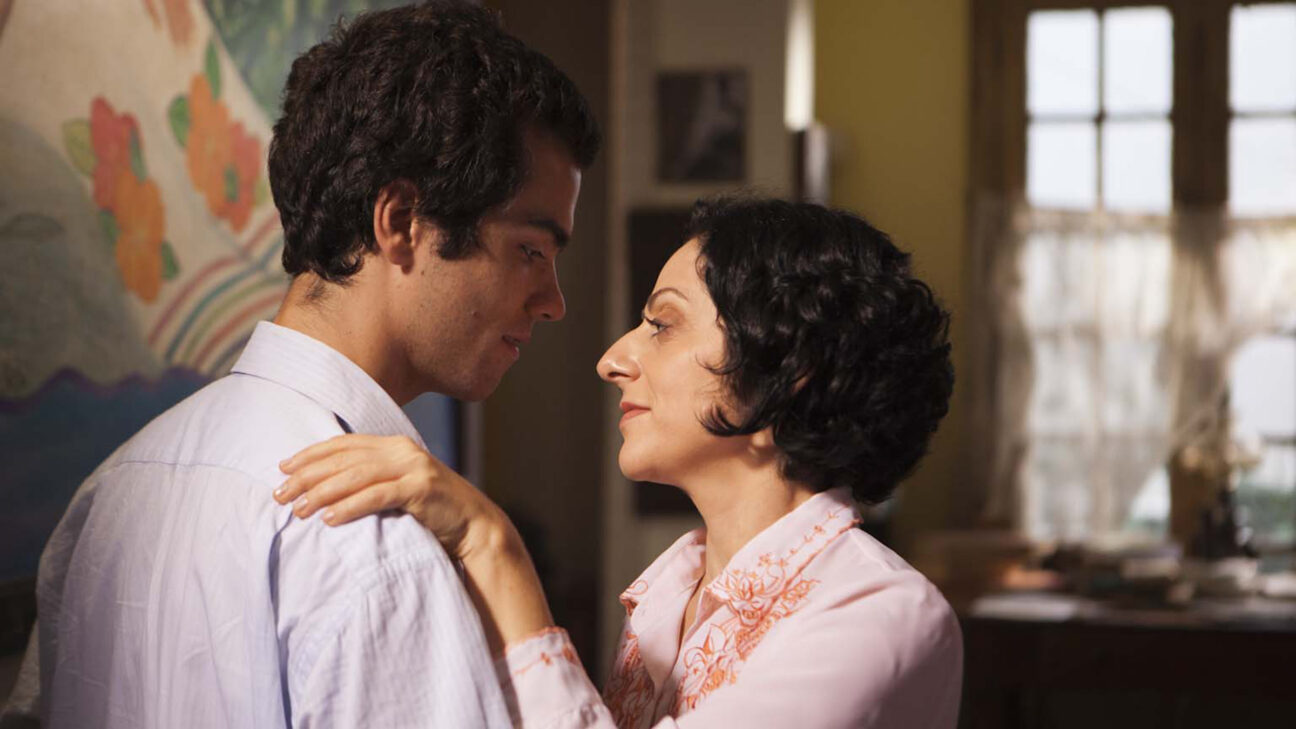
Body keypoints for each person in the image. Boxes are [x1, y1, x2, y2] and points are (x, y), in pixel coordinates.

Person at [12, 3, 600, 727]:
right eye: (530, 250)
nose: (554, 302)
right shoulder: (375, 540)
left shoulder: (111, 488)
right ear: (401, 222)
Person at [275, 196, 964, 728]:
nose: (613, 359)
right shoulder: (669, 593)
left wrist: (493, 545)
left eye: (663, 325)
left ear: (785, 378)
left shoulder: (880, 613)